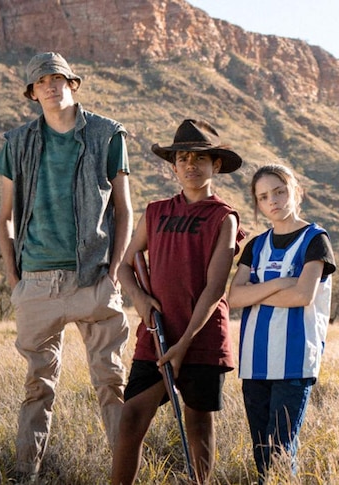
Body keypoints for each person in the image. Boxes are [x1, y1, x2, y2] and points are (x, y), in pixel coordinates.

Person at [0, 52, 133, 482]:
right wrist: (15, 279)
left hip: (93, 278)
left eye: (59, 78)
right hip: (35, 283)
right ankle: (25, 473)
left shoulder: (108, 134)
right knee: (37, 387)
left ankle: (122, 474)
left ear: (73, 83)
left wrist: (112, 274)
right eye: (42, 82)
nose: (51, 87)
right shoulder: (17, 142)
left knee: (111, 383)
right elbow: (3, 217)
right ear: (32, 92)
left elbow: (126, 210)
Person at [111, 119, 246, 484]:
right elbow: (125, 265)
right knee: (132, 417)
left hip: (201, 338)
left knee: (198, 422)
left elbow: (215, 288)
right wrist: (139, 299)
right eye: (183, 158)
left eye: (200, 158)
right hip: (155, 334)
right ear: (172, 166)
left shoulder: (224, 217)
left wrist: (184, 343)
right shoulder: (155, 211)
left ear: (215, 165)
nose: (190, 164)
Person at [227, 164, 336, 483]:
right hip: (254, 362)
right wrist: (280, 283)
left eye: (279, 191)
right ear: (258, 204)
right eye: (263, 197)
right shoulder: (255, 246)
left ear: (295, 192)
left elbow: (303, 295)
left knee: (280, 450)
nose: (272, 200)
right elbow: (233, 298)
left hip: (294, 362)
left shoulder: (316, 240)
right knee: (261, 449)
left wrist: (256, 293)